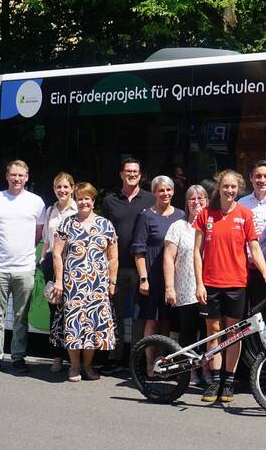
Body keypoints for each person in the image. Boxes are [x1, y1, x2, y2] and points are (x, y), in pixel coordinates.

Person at [194, 169, 266, 404]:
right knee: (213, 333)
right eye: (226, 187)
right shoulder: (206, 214)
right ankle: (214, 381)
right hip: (210, 283)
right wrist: (199, 282)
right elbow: (196, 252)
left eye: (233, 187)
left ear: (238, 189)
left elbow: (254, 248)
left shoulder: (245, 214)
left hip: (236, 283)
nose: (229, 191)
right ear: (219, 188)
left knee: (233, 334)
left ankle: (228, 382)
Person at [0, 160, 46, 375]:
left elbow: (38, 233)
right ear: (6, 176)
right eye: (13, 175)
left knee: (20, 317)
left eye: (21, 175)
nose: (17, 179)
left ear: (27, 177)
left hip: (24, 267)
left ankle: (18, 357)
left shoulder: (36, 202)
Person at [52, 182, 119, 382]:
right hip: (73, 283)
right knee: (73, 324)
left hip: (98, 284)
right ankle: (73, 367)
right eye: (80, 198)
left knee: (92, 324)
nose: (83, 202)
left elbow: (113, 256)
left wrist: (112, 282)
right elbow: (57, 253)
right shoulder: (66, 223)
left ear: (93, 200)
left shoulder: (105, 224)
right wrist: (58, 281)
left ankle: (88, 367)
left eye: (87, 198)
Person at [101, 157, 155, 374]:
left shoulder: (150, 199)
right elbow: (103, 233)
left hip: (142, 268)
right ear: (121, 174)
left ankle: (136, 358)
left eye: (135, 171)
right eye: (128, 171)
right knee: (115, 313)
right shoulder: (109, 200)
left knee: (139, 316)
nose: (132, 174)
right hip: (116, 267)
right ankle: (115, 357)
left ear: (140, 175)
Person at [131, 175, 185, 374]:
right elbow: (138, 250)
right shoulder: (146, 216)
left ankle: (160, 363)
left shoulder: (180, 215)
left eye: (168, 190)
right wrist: (143, 278)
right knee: (152, 321)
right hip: (152, 277)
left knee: (167, 321)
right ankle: (148, 364)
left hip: (172, 279)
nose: (165, 193)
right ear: (154, 193)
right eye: (161, 190)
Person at [40, 172, 77, 373]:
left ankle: (74, 359)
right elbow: (47, 239)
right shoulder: (50, 210)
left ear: (73, 188)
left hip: (73, 265)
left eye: (65, 187)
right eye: (58, 187)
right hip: (51, 265)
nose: (62, 190)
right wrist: (43, 259)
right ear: (54, 189)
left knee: (71, 312)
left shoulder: (78, 209)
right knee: (54, 312)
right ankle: (57, 356)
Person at [163, 184, 207, 351]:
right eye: (192, 198)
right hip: (186, 289)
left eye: (200, 198)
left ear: (207, 200)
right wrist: (169, 288)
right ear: (187, 202)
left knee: (208, 333)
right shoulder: (178, 226)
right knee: (187, 332)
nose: (196, 202)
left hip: (210, 288)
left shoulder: (212, 226)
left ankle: (206, 370)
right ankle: (189, 371)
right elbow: (168, 258)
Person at [239, 160, 266, 315]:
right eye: (258, 176)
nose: (262, 180)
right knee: (245, 316)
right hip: (245, 269)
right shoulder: (241, 203)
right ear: (250, 178)